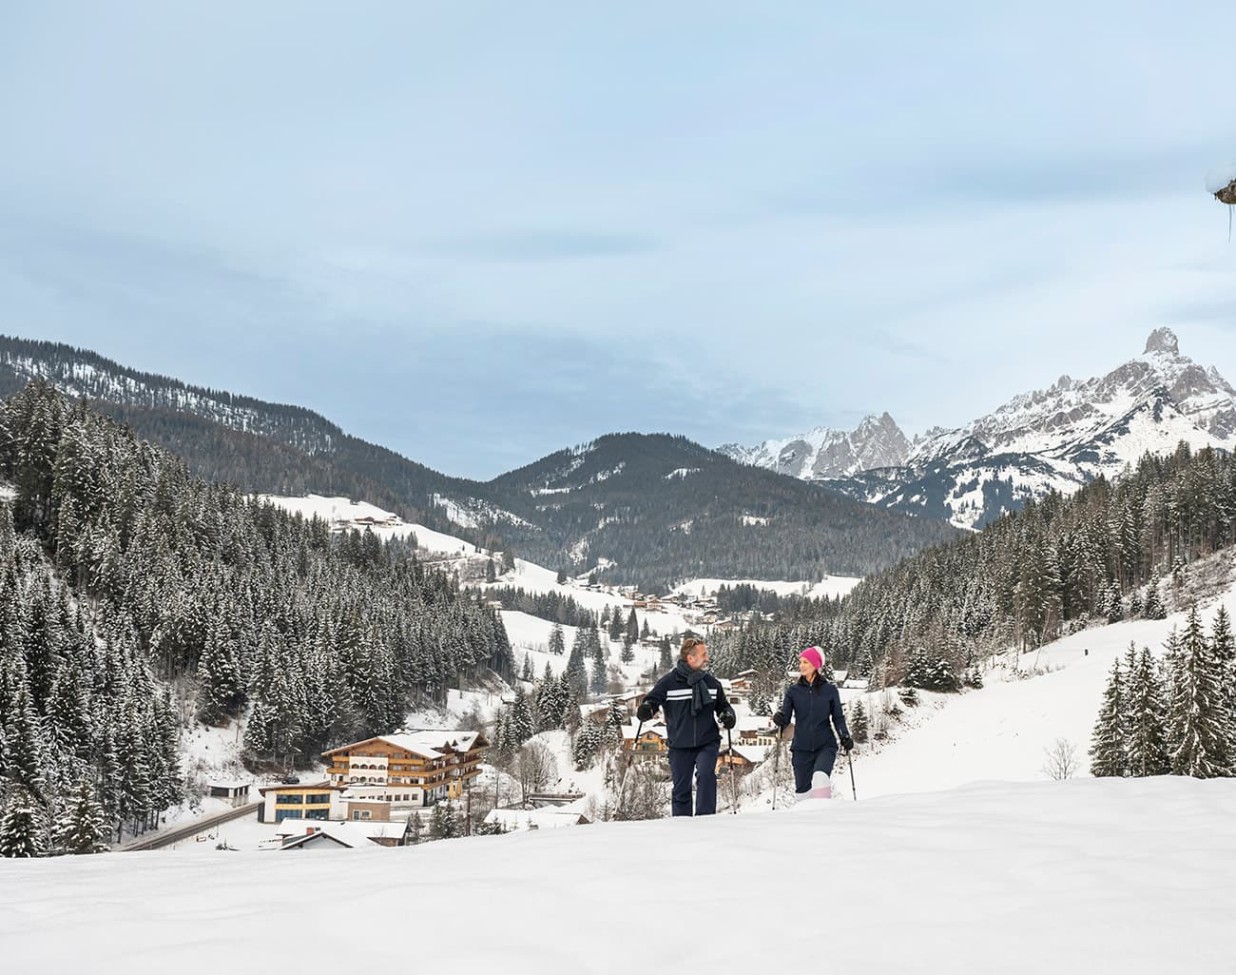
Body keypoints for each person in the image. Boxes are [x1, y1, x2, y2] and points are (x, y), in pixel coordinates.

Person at [636, 635, 736, 816]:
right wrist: (646, 708)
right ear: (691, 658)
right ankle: (682, 826)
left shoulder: (712, 683)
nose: (707, 658)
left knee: (706, 775)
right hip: (679, 744)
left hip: (707, 741)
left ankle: (705, 820)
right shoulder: (668, 683)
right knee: (681, 788)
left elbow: (723, 706)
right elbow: (652, 700)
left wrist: (728, 715)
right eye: (704, 654)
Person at [772, 645, 853, 800]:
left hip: (825, 745)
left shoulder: (830, 690)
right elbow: (785, 717)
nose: (801, 665)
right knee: (803, 794)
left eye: (806, 662)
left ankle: (823, 817)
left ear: (816, 665)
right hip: (801, 748)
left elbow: (838, 717)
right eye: (800, 662)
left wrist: (845, 736)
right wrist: (779, 718)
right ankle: (806, 822)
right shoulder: (793, 691)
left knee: (820, 778)